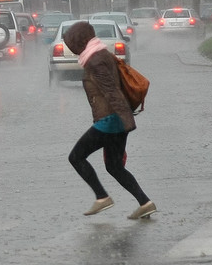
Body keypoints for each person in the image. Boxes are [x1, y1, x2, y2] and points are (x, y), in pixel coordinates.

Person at [63, 20, 157, 220]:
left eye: (71, 43)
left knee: (76, 157)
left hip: (110, 121)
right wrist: (126, 119)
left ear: (79, 41)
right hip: (118, 120)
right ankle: (145, 203)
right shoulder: (102, 54)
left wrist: (126, 119)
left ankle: (101, 197)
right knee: (114, 166)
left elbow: (112, 91)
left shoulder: (95, 61)